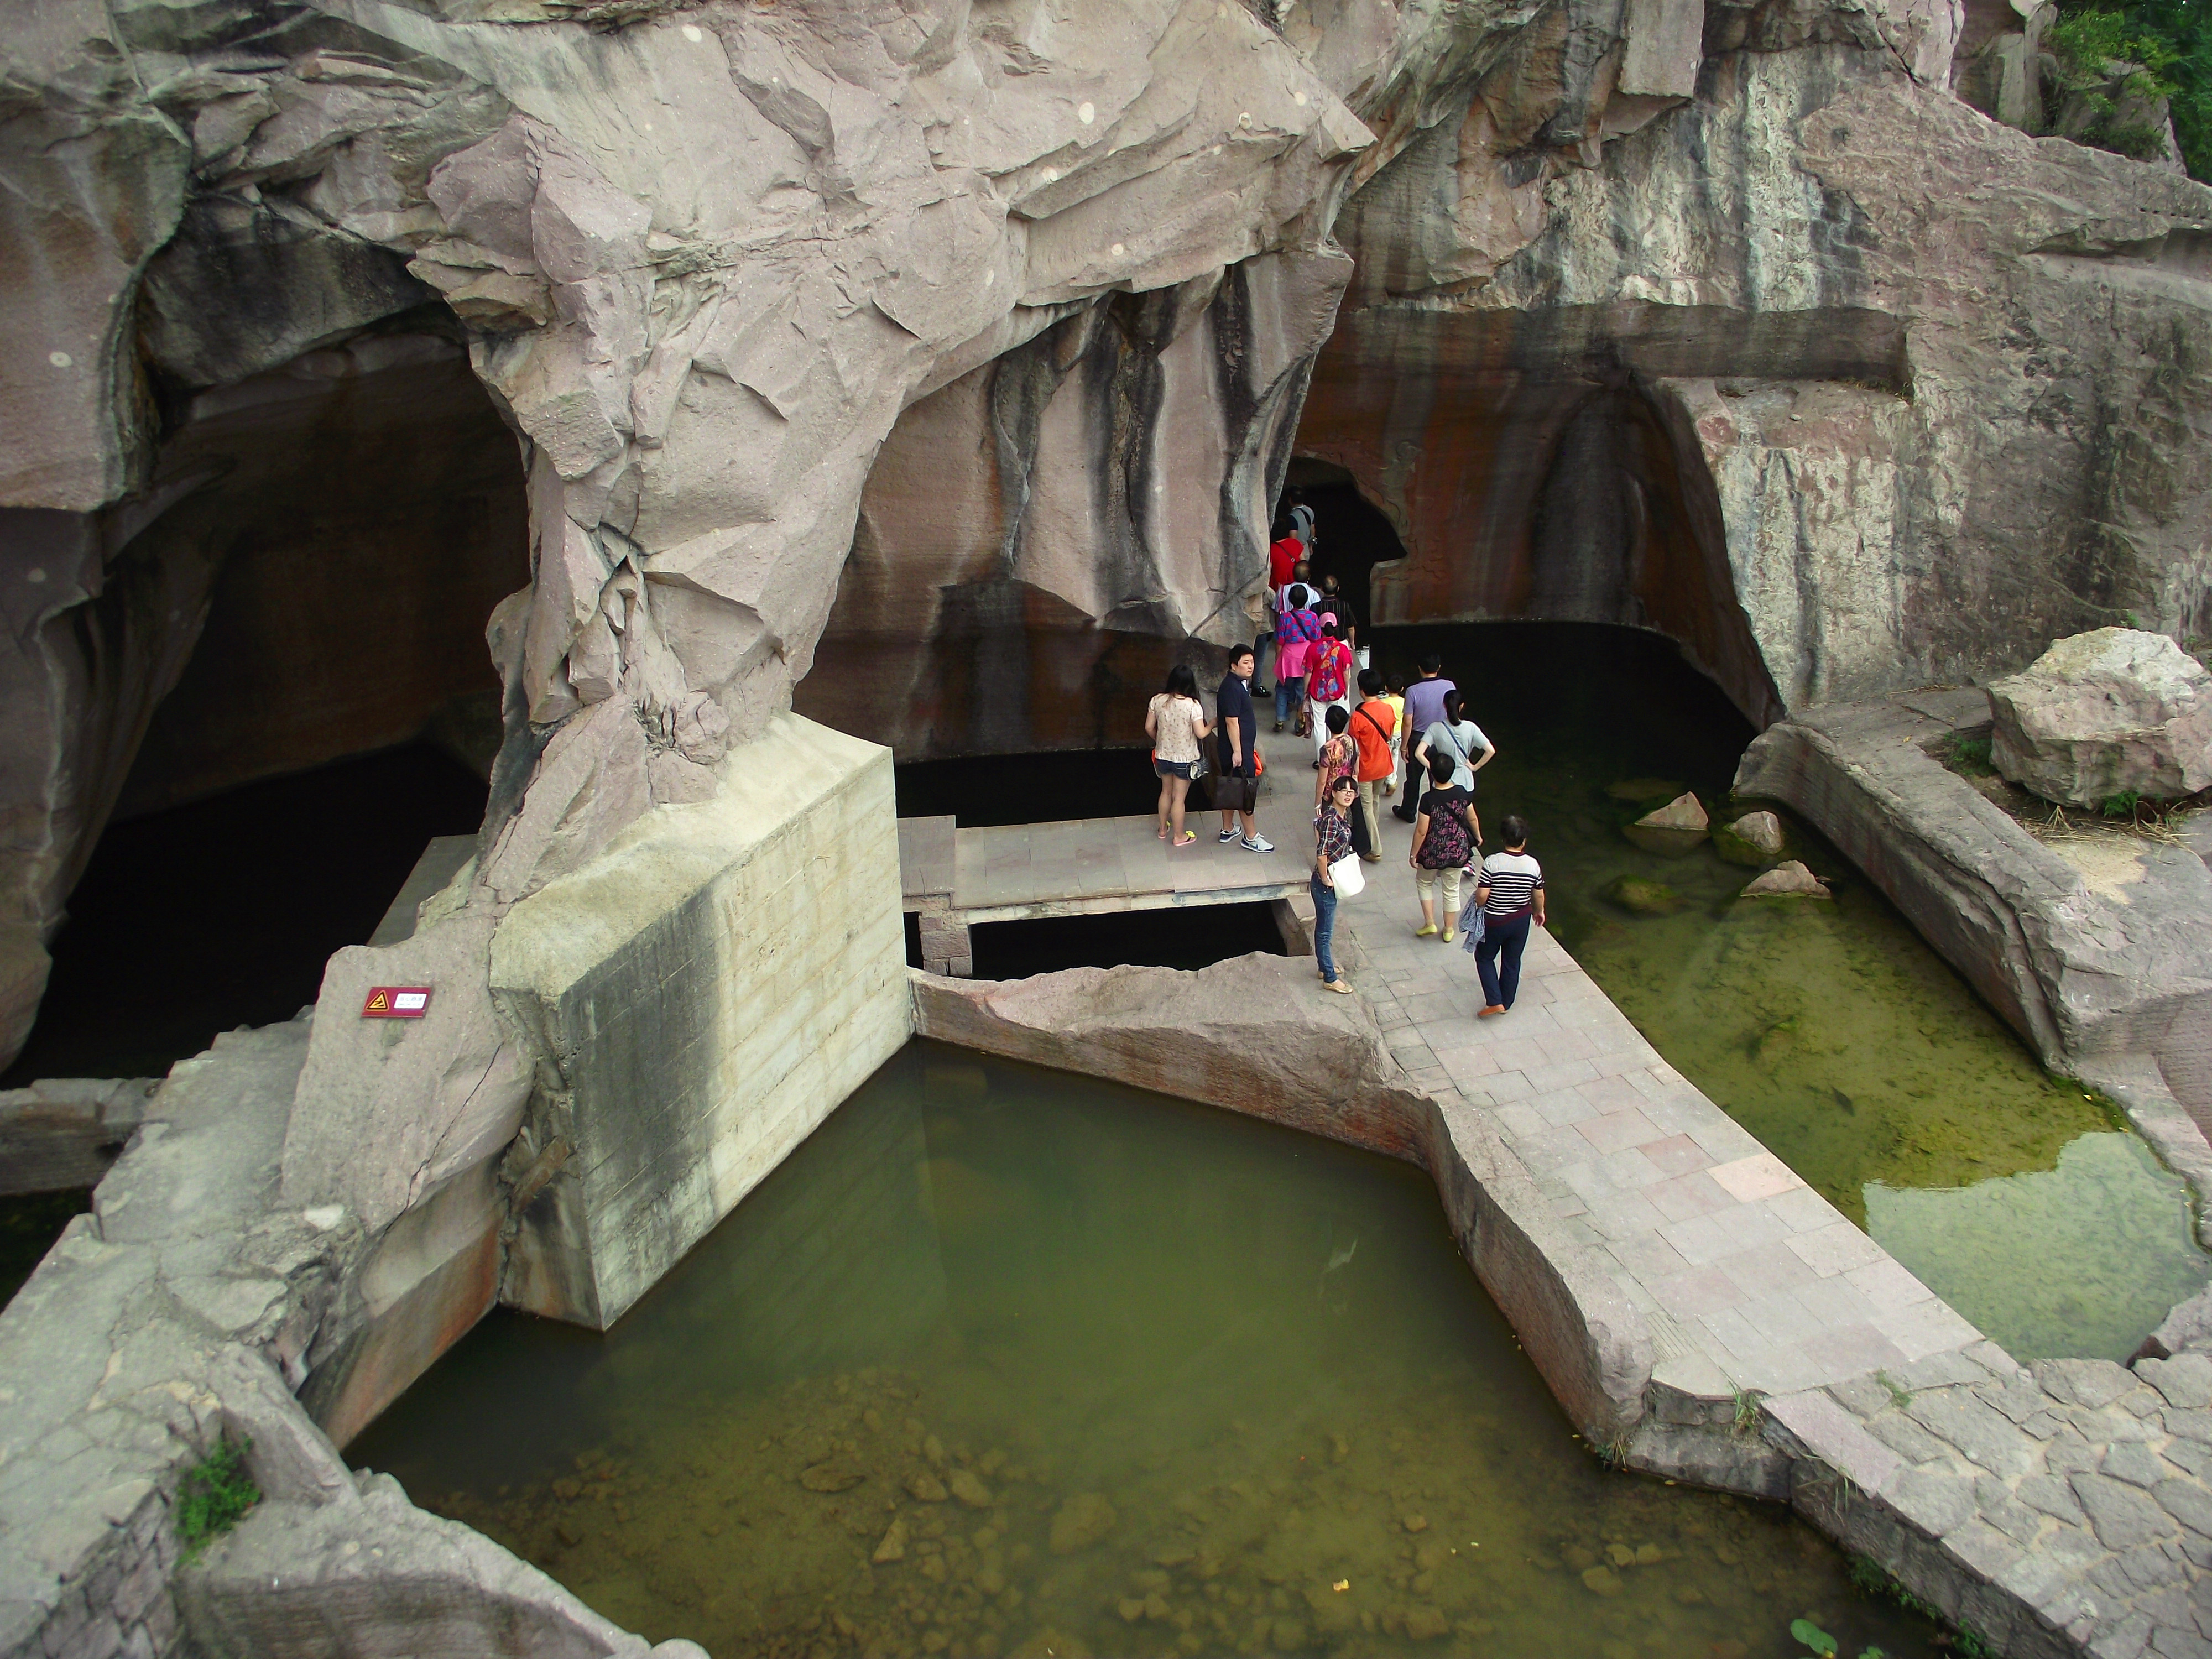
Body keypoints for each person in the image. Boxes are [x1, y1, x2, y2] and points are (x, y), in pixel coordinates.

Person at [1474, 815, 1546, 1016]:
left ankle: (1494, 1001)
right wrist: (1539, 912)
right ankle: (1506, 1002)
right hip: (1520, 920)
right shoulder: (1533, 865)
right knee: (1512, 960)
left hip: (1495, 920)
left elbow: (1482, 895)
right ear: (1524, 841)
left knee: (1484, 957)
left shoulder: (1492, 862)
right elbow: (1538, 893)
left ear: (1503, 838)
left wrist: (1478, 906)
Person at [1408, 755, 1477, 941]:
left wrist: (1414, 853)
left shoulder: (1428, 798)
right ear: (1452, 772)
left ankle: (1430, 922)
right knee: (1452, 889)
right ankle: (1448, 930)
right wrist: (1477, 837)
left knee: (1424, 883)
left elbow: (1422, 830)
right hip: (1457, 850)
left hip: (1432, 850)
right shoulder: (1463, 793)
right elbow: (1472, 818)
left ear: (1432, 772)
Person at [1213, 646, 1274, 853]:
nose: (1251, 666)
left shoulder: (1238, 684)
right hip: (1237, 751)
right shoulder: (1231, 687)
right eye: (1245, 662)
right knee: (1245, 790)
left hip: (1236, 748)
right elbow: (1232, 722)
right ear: (1233, 665)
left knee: (1232, 784)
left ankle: (1228, 828)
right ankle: (1251, 837)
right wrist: (1238, 751)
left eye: (1252, 662)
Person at [1146, 664, 1213, 847]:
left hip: (1162, 756)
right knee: (1179, 798)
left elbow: (1149, 727)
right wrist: (1212, 724)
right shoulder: (1192, 705)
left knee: (1165, 792)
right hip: (1185, 760)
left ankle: (1162, 829)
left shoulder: (1157, 700)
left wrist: (1159, 740)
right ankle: (1179, 836)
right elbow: (1201, 734)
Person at [1311, 771, 1359, 995]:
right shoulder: (1331, 819)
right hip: (1325, 882)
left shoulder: (1342, 815)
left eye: (1352, 791)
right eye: (1344, 791)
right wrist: (1325, 878)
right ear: (1334, 793)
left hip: (1332, 877)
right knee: (1325, 932)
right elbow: (1322, 852)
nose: (1348, 795)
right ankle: (1330, 978)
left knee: (1324, 929)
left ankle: (1324, 967)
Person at [1394, 655, 1455, 821]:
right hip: (1441, 737)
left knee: (1413, 778)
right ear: (1439, 667)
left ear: (1420, 668)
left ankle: (1409, 812)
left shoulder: (1413, 691)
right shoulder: (1450, 686)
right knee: (1439, 779)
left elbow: (1408, 722)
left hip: (1419, 739)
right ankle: (1441, 813)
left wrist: (1404, 746)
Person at [1413, 688, 1495, 798]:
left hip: (1443, 782)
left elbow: (1418, 753)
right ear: (1462, 706)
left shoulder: (1435, 728)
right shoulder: (1471, 727)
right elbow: (1490, 751)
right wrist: (1475, 767)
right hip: (1465, 783)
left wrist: (1433, 768)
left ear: (1444, 706)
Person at [1349, 670, 1393, 858]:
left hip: (1366, 767)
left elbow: (1352, 744)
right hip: (1384, 763)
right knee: (1374, 800)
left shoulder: (1358, 717)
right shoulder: (1388, 709)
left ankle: (1374, 849)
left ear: (1361, 690)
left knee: (1365, 807)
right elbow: (1390, 735)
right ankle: (1372, 833)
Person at [1258, 519, 1302, 692]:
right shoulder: (1295, 544)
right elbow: (1303, 561)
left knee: (1281, 618)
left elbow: (1267, 570)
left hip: (1279, 589)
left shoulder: (1271, 549)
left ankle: (1281, 639)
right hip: (1297, 587)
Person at [1273, 584, 1322, 734]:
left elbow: (1280, 641)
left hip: (1288, 657)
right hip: (1306, 657)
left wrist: (1278, 659)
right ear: (1307, 600)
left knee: (1282, 689)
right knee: (1302, 691)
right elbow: (1316, 638)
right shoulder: (1313, 617)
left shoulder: (1285, 617)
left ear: (1290, 600)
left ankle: (1280, 719)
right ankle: (1300, 723)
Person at [1306, 620, 1354, 763]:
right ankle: (1337, 754)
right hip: (1336, 690)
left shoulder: (1313, 648)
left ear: (1321, 630)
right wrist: (1346, 689)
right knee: (1334, 724)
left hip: (1317, 691)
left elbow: (1308, 671)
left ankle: (1322, 759)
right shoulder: (1343, 649)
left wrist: (1305, 690)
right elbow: (1347, 672)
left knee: (1319, 725)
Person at [1379, 673, 1408, 799]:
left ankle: (1383, 778)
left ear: (1386, 687)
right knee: (1395, 756)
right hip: (1399, 734)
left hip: (1386, 734)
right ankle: (1391, 780)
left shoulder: (1382, 702)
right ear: (1402, 689)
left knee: (1384, 757)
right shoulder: (1405, 702)